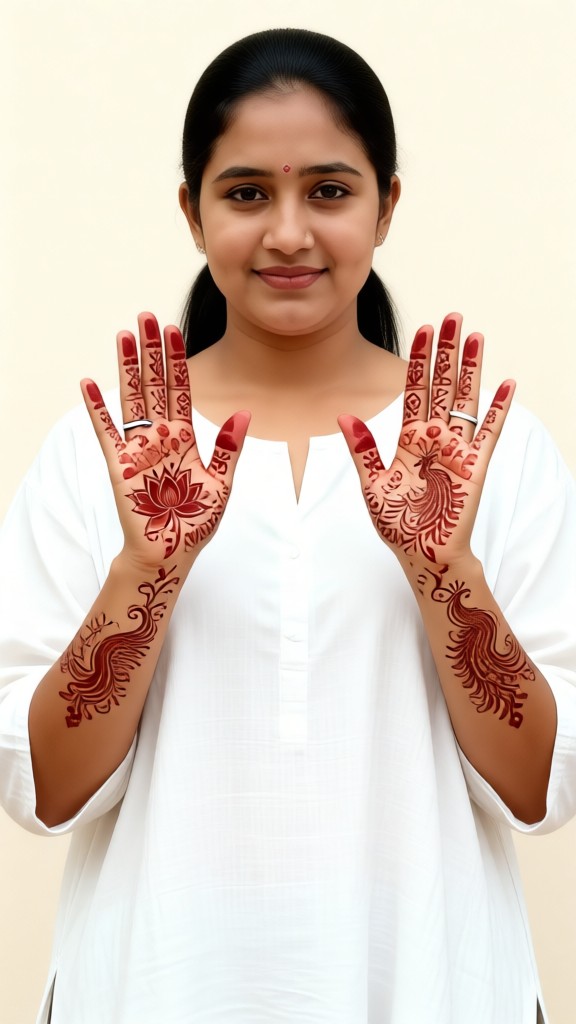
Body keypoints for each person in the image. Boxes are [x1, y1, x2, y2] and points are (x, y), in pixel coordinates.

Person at [0, 27, 574, 1024]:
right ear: (191, 211)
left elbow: (540, 792)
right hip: (149, 991)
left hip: (434, 989)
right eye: (247, 192)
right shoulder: (112, 456)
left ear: (389, 204)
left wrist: (444, 573)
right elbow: (42, 793)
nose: (290, 234)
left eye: (330, 190)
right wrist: (148, 571)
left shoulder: (484, 453)